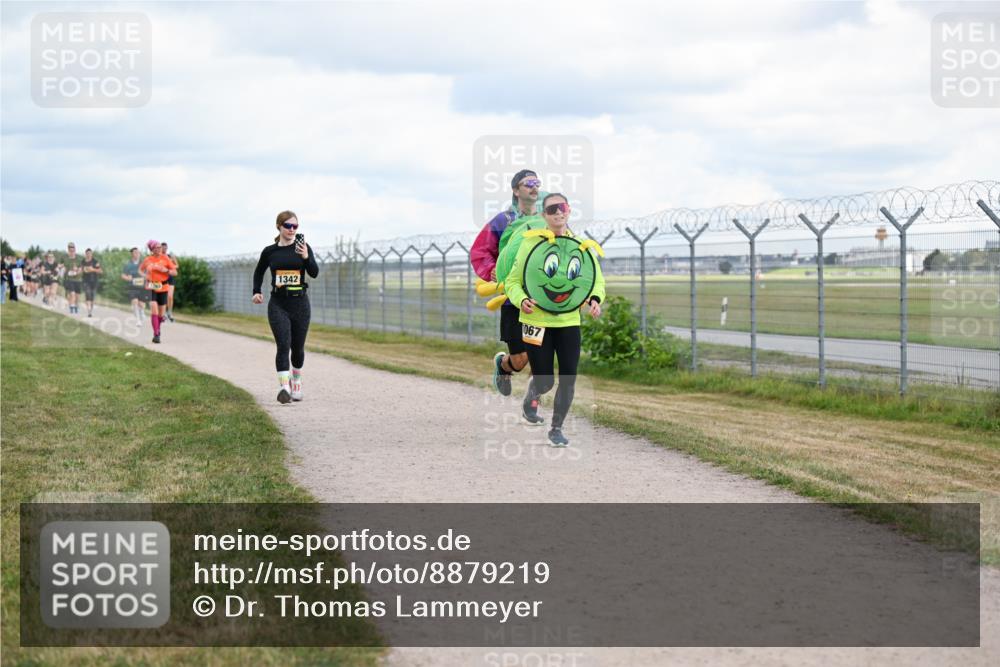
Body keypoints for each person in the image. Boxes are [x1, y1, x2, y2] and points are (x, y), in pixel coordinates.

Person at [503, 193, 605, 447]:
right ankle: (532, 397)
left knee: (569, 377)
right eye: (552, 209)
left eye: (563, 207)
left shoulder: (581, 246)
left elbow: (595, 281)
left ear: (569, 211)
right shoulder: (531, 244)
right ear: (543, 216)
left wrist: (594, 299)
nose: (558, 212)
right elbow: (513, 282)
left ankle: (556, 428)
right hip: (535, 320)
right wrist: (520, 300)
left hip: (569, 322)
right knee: (545, 380)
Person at [470, 169, 547, 397]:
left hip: (540, 297)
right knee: (520, 360)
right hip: (513, 298)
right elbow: (480, 250)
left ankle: (532, 406)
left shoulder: (546, 219)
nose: (534, 187)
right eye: (528, 183)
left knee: (540, 356)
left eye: (537, 183)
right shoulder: (503, 221)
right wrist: (491, 269)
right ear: (516, 190)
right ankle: (503, 366)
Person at [252, 210, 319, 404]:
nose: (291, 229)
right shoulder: (270, 251)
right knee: (283, 345)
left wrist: (306, 257)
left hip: (300, 303)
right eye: (288, 226)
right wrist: (256, 291)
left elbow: (314, 272)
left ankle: (296, 381)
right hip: (278, 304)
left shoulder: (304, 247)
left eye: (295, 226)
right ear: (279, 227)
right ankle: (284, 388)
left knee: (297, 348)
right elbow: (258, 272)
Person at [139, 240, 178, 344]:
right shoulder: (147, 260)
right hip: (152, 286)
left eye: (160, 247)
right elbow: (140, 270)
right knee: (154, 311)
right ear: (152, 249)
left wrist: (166, 271)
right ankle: (156, 334)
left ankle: (158, 328)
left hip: (163, 286)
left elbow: (175, 272)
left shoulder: (165, 258)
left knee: (161, 315)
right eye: (157, 247)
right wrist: (145, 276)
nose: (160, 249)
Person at [121, 247, 148, 325]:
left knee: (141, 304)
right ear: (132, 254)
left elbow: (147, 273)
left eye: (138, 252)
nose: (137, 254)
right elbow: (123, 275)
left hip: (142, 286)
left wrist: (145, 277)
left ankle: (142, 312)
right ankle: (138, 320)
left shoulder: (143, 264)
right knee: (135, 302)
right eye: (135, 252)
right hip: (132, 286)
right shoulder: (128, 264)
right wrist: (127, 278)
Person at [81, 248, 103, 317]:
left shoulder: (95, 261)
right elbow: (82, 270)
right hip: (86, 281)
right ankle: (89, 311)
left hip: (94, 281)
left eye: (90, 253)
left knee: (92, 296)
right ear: (85, 254)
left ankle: (91, 310)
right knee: (88, 294)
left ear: (91, 254)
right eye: (87, 254)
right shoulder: (83, 262)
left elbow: (100, 271)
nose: (88, 255)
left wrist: (93, 269)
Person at [63, 242, 83, 314]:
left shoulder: (79, 258)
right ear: (68, 250)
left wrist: (76, 271)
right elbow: (63, 267)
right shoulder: (65, 258)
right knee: (72, 294)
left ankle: (76, 306)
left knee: (77, 296)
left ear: (75, 249)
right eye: (70, 249)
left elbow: (81, 268)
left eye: (73, 249)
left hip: (78, 280)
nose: (71, 251)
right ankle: (72, 307)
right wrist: (66, 272)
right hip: (69, 279)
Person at [161, 241, 177, 322]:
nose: (164, 249)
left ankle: (169, 312)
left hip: (170, 278)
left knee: (170, 296)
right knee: (163, 297)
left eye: (165, 247)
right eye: (163, 247)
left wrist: (170, 267)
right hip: (161, 279)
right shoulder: (158, 257)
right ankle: (162, 314)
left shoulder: (170, 256)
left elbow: (177, 266)